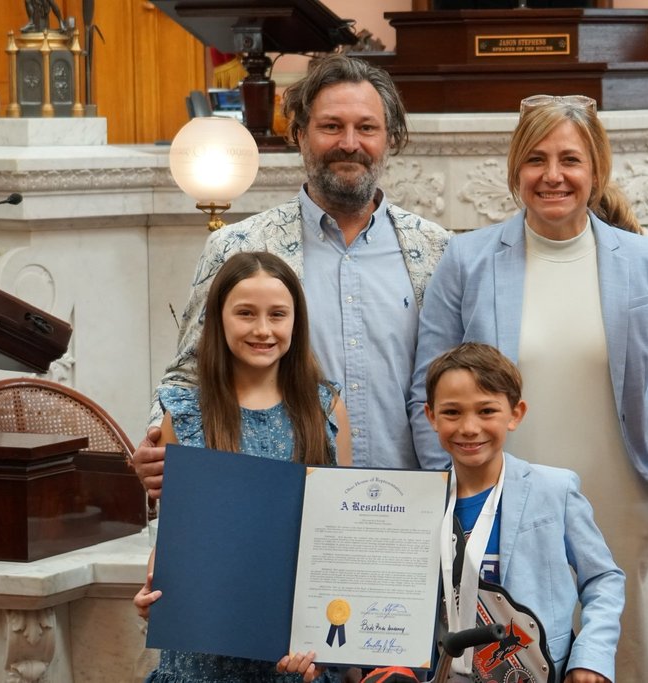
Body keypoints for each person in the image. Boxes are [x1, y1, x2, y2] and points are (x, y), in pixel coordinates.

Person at [408, 95, 648, 681]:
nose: (552, 176)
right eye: (535, 159)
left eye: (570, 160)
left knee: (621, 648)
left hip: (621, 489)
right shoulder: (468, 259)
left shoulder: (644, 259)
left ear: (596, 170)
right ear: (514, 172)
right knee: (514, 647)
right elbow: (423, 389)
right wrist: (451, 496)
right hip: (499, 495)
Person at [132, 55, 451, 496]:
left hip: (411, 502)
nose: (349, 142)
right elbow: (188, 375)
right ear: (299, 134)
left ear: (390, 137)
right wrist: (157, 445)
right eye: (331, 126)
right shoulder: (238, 247)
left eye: (367, 127)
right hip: (279, 507)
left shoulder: (436, 250)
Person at [133, 251, 351, 683]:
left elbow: (339, 538)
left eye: (277, 314)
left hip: (292, 657)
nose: (263, 329)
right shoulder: (186, 413)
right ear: (217, 320)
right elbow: (176, 539)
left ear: (296, 322)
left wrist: (332, 650)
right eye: (245, 313)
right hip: (202, 659)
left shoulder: (326, 409)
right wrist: (153, 595)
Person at [425, 342, 624, 683]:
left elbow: (604, 579)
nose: (469, 427)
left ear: (515, 414)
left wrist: (592, 655)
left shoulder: (555, 490)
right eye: (452, 412)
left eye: (486, 411)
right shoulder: (420, 500)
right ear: (431, 416)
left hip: (536, 670)